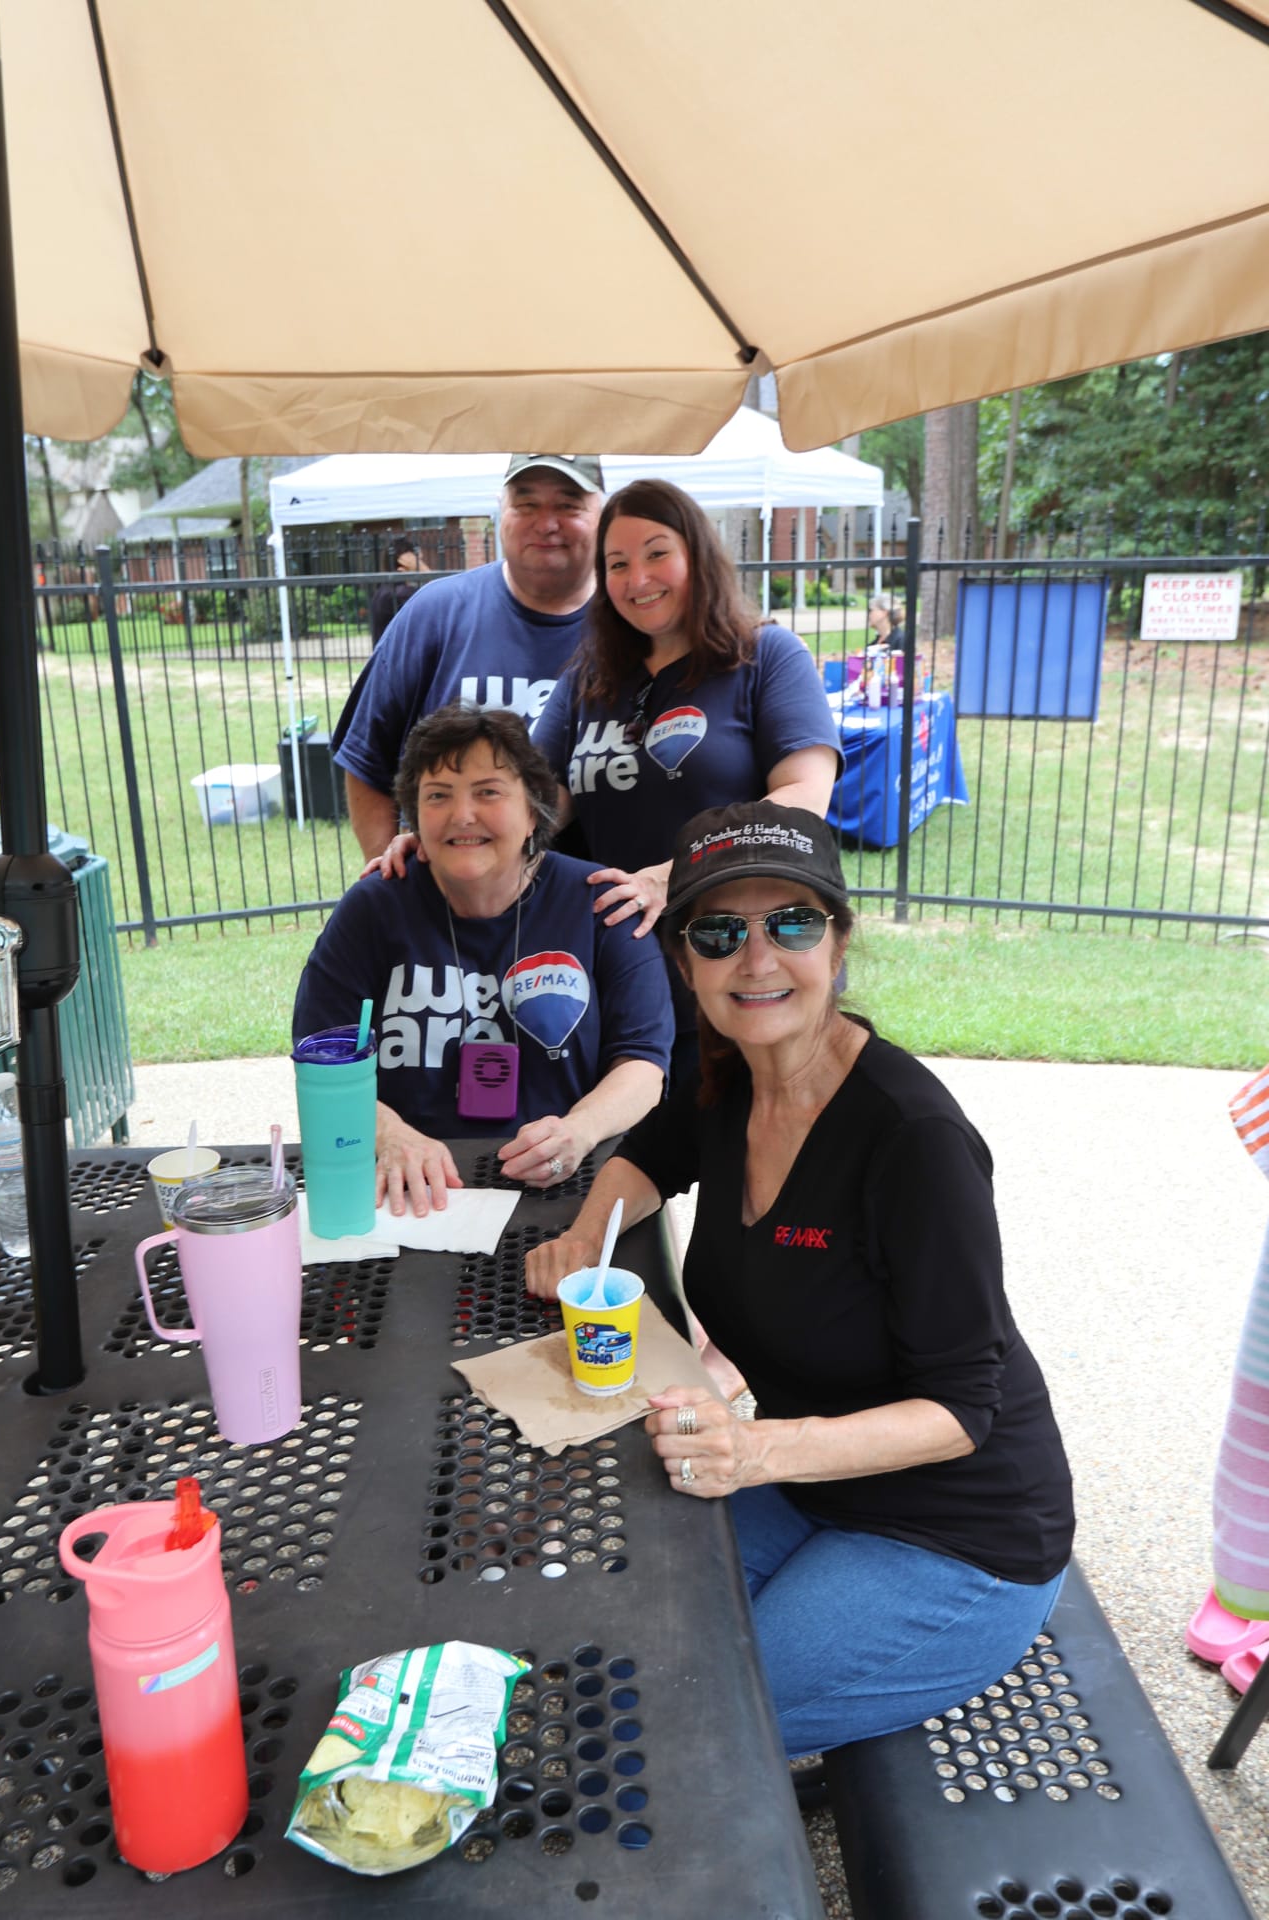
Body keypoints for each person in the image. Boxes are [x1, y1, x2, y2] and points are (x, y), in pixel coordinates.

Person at [526, 799, 1074, 1755]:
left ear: (838, 940)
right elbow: (647, 1153)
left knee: (689, 1720)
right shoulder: (732, 1073)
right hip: (816, 1488)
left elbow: (962, 1412)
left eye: (791, 923)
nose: (758, 958)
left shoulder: (914, 1140)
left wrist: (757, 1449)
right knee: (618, 1613)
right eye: (719, 932)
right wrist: (586, 1235)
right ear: (684, 959)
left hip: (957, 1541)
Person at [295, 704, 673, 1216]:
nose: (462, 815)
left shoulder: (600, 902)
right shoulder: (375, 907)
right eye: (438, 796)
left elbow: (644, 1065)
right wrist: (390, 1135)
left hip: (564, 1189)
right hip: (412, 1196)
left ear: (535, 809)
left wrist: (577, 1131)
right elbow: (320, 1064)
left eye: (489, 791)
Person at [529, 478, 841, 1081]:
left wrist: (670, 877)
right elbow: (536, 803)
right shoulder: (587, 680)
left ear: (696, 553)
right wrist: (451, 834)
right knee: (635, 1163)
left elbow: (804, 798)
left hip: (752, 971)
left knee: (754, 1165)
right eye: (616, 563)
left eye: (656, 553)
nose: (637, 579)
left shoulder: (767, 656)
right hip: (629, 982)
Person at [333, 454, 604, 861]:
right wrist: (394, 889)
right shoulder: (434, 615)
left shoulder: (634, 628)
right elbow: (366, 759)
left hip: (599, 910)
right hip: (451, 912)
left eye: (568, 506)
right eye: (526, 504)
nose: (546, 523)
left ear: (603, 513)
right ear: (501, 510)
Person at [367, 533, 426, 646]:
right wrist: (424, 570)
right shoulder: (403, 593)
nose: (420, 562)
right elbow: (446, 601)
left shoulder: (384, 588)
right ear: (405, 561)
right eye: (418, 560)